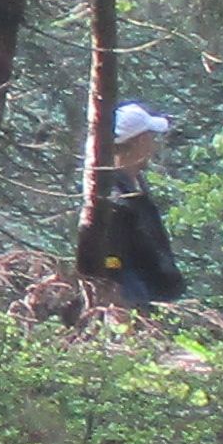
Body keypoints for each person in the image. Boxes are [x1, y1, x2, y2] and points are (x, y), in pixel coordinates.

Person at [75, 103, 186, 308]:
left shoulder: (131, 189)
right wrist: (134, 303)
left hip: (151, 296)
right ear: (141, 141)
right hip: (135, 302)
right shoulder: (115, 201)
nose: (154, 146)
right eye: (151, 138)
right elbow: (113, 262)